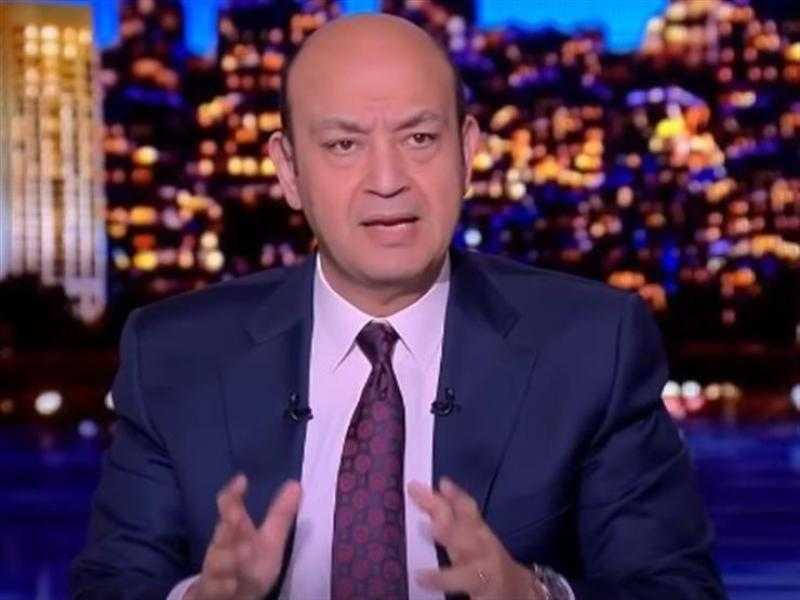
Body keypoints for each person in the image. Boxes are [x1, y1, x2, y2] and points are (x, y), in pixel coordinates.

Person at [72, 13, 724, 600]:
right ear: (289, 170)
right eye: (344, 145)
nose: (387, 181)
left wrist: (536, 596)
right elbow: (111, 586)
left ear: (467, 151)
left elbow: (677, 590)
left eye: (419, 139)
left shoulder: (593, 347)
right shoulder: (174, 356)